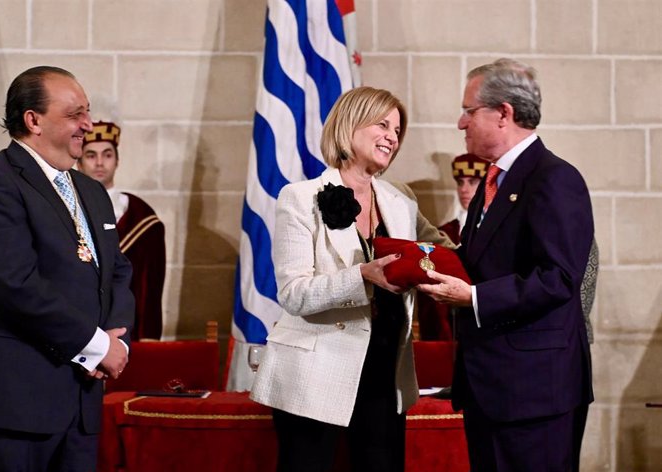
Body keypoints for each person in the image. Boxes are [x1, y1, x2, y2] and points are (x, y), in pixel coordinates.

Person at [250, 86, 454, 472]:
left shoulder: (401, 199)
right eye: (383, 124)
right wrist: (363, 275)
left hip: (385, 371)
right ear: (349, 125)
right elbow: (293, 294)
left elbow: (444, 252)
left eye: (397, 130)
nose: (393, 137)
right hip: (314, 373)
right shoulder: (300, 197)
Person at [418, 58, 594, 471]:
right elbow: (481, 262)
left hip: (535, 392)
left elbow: (558, 278)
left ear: (503, 113)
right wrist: (421, 263)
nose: (461, 123)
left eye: (469, 110)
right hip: (490, 386)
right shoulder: (495, 180)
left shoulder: (554, 178)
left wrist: (473, 296)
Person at [0, 66, 135, 471]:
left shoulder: (92, 192)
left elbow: (118, 271)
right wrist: (99, 347)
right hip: (18, 406)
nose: (88, 124)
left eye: (88, 111)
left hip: (81, 405)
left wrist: (119, 340)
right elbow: (16, 284)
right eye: (75, 114)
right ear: (33, 120)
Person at [78, 120, 166, 340]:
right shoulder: (66, 208)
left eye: (107, 155)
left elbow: (150, 289)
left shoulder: (142, 217)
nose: (99, 163)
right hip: (79, 326)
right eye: (90, 155)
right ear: (78, 162)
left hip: (128, 328)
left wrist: (149, 338)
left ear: (117, 161)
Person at [417, 153, 488, 341]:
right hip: (449, 329)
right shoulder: (443, 232)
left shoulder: (498, 231)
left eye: (472, 182)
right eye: (460, 182)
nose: (464, 189)